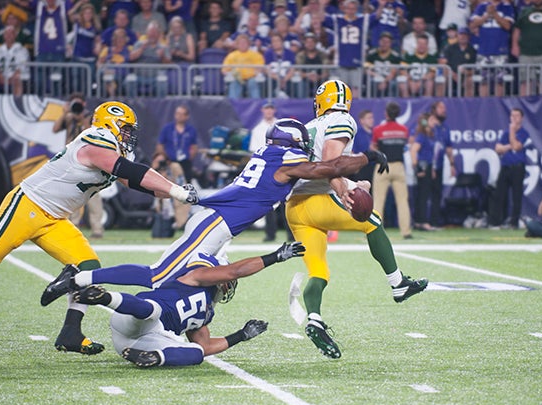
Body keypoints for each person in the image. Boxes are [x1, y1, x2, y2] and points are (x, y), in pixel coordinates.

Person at [0, 102, 199, 352]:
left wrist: (178, 191)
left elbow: (139, 182)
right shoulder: (95, 138)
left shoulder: (114, 150)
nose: (128, 137)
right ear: (110, 124)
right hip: (28, 206)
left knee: (88, 266)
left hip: (55, 219)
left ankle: (70, 332)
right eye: (125, 129)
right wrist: (176, 191)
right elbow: (126, 170)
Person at [41, 118, 388, 308]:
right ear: (292, 145)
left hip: (218, 225)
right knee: (159, 274)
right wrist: (368, 157)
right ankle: (78, 279)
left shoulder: (270, 155)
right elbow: (330, 167)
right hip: (215, 225)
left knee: (189, 279)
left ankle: (162, 318)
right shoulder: (285, 162)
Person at [285, 80, 428, 360]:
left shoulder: (310, 126)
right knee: (371, 221)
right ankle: (398, 283)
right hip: (317, 200)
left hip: (294, 208)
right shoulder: (342, 119)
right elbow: (330, 163)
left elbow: (323, 165)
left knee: (319, 272)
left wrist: (351, 184)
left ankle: (314, 319)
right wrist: (346, 190)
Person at [47, 242, 306, 368]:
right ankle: (104, 297)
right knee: (152, 309)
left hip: (138, 343)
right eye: (227, 276)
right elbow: (235, 271)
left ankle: (152, 359)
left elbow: (204, 346)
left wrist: (241, 336)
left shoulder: (207, 312)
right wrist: (275, 257)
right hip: (133, 317)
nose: (230, 282)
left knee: (195, 354)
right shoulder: (196, 277)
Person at [53, 95, 106, 239]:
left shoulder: (91, 118)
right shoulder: (69, 118)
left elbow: (92, 136)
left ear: (84, 104)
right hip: (71, 161)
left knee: (94, 195)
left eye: (79, 103)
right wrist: (65, 113)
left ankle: (97, 229)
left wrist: (83, 120)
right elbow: (55, 128)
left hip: (89, 162)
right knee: (70, 194)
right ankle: (72, 227)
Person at [371, 101, 412, 239]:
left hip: (382, 166)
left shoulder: (378, 130)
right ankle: (406, 232)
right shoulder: (403, 130)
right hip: (399, 167)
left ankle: (373, 232)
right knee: (402, 201)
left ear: (386, 113)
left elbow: (374, 148)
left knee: (378, 200)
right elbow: (406, 146)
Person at [155, 104, 199, 232]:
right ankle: (165, 221)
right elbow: (160, 146)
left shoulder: (190, 130)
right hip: (171, 162)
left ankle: (181, 221)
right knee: (168, 190)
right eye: (177, 113)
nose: (178, 116)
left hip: (185, 163)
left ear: (187, 116)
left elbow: (194, 147)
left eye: (181, 114)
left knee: (184, 190)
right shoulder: (168, 129)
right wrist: (166, 159)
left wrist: (189, 158)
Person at [489, 107, 532, 229]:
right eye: (512, 115)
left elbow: (517, 147)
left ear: (521, 118)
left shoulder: (524, 133)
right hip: (505, 166)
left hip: (518, 167)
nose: (514, 118)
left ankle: (514, 223)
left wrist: (512, 131)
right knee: (499, 194)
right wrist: (509, 145)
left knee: (516, 196)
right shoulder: (505, 133)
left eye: (517, 115)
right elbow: (498, 149)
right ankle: (496, 222)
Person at [248, 101, 284, 242]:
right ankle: (270, 234)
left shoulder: (281, 125)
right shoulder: (258, 130)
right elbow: (255, 152)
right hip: (267, 168)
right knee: (269, 203)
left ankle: (291, 234)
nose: (268, 111)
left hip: (283, 166)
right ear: (262, 110)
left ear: (274, 110)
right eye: (266, 108)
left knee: (286, 201)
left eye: (271, 108)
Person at [468, 0, 515, 97]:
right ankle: (484, 106)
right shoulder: (481, 6)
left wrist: (495, 14)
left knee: (500, 81)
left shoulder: (507, 7)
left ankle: (498, 107)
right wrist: (486, 15)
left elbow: (507, 26)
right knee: (483, 81)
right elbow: (472, 25)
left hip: (500, 50)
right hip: (484, 50)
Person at [430, 100, 456, 227]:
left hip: (439, 164)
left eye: (444, 107)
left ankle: (434, 222)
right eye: (440, 107)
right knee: (423, 194)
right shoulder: (427, 123)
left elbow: (448, 148)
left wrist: (452, 165)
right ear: (434, 109)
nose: (443, 110)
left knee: (437, 193)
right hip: (427, 165)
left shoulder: (445, 128)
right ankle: (421, 221)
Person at [221, 33, 265, 98]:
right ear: (237, 44)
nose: (242, 44)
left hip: (252, 78)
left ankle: (256, 104)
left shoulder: (256, 55)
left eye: (244, 42)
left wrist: (255, 73)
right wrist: (230, 73)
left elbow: (260, 67)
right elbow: (224, 69)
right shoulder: (231, 55)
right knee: (234, 84)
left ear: (248, 44)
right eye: (240, 43)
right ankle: (233, 105)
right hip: (237, 78)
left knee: (252, 83)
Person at [0, 24, 29, 96]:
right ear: (3, 36)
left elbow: (22, 67)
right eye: (6, 34)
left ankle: (16, 102)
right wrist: (1, 76)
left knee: (17, 78)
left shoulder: (22, 50)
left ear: (15, 36)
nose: (8, 36)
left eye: (11, 34)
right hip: (1, 76)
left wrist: (12, 77)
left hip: (16, 76)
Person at [440, 26, 477, 97]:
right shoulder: (450, 48)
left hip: (465, 75)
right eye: (461, 35)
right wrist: (453, 74)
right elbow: (442, 62)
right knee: (442, 77)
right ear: (457, 36)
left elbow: (475, 68)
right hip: (451, 73)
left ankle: (467, 104)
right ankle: (440, 102)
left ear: (468, 37)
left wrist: (467, 72)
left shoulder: (472, 50)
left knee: (469, 80)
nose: (463, 37)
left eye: (465, 35)